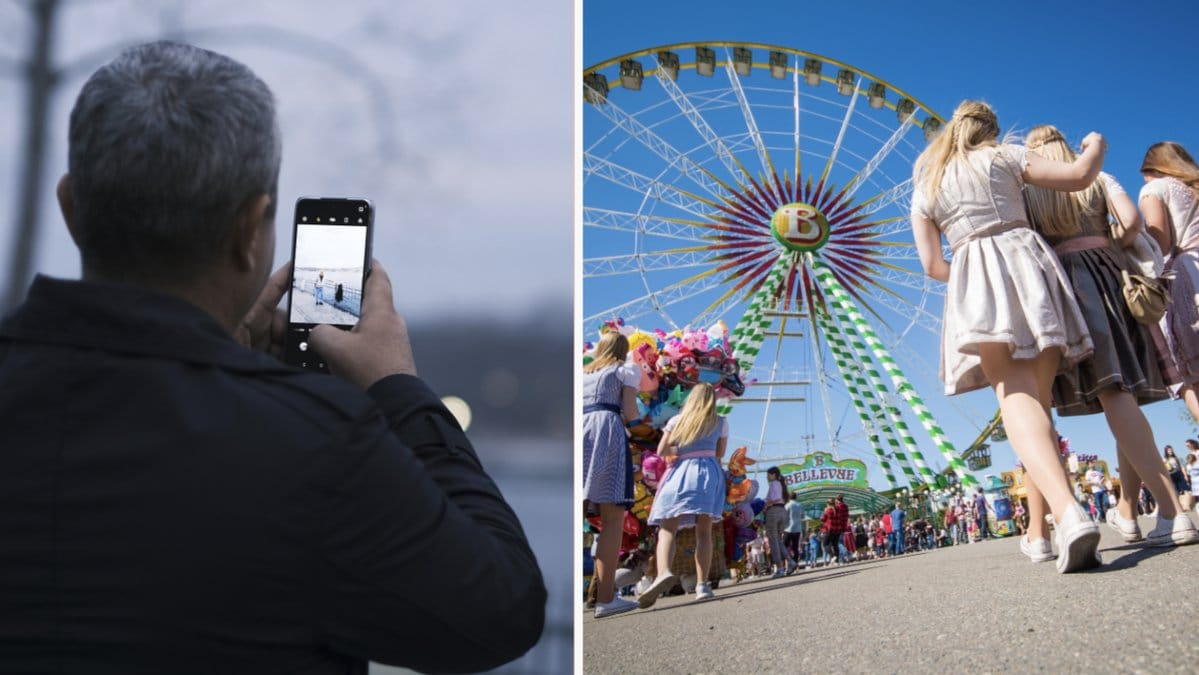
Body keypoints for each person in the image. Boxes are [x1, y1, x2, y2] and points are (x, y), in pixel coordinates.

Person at [0, 42, 544, 673]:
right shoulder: (317, 447)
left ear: (70, 207)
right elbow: (500, 611)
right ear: (250, 229)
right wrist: (397, 387)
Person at [910, 100, 1109, 573]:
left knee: (1016, 405)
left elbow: (933, 266)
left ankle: (1066, 514)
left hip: (973, 274)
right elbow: (1081, 175)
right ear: (992, 130)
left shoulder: (926, 186)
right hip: (1028, 262)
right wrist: (1096, 145)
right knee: (1036, 408)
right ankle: (1040, 533)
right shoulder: (1006, 156)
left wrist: (971, 272)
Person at [1022, 124, 1197, 549]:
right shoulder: (1097, 177)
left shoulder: (1030, 190)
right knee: (1126, 394)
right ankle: (1128, 511)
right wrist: (1108, 244)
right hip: (1112, 278)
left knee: (1108, 393)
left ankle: (1172, 512)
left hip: (1065, 285)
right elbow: (1133, 222)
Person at [639, 383, 729, 607]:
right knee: (704, 532)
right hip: (708, 474)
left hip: (680, 473)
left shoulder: (677, 421)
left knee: (667, 529)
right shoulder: (720, 422)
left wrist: (679, 451)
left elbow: (661, 450)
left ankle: (664, 572)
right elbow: (720, 454)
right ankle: (702, 585)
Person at [582, 330, 642, 618]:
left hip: (580, 429)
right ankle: (606, 598)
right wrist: (644, 427)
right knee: (612, 518)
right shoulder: (624, 370)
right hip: (607, 430)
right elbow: (630, 411)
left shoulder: (583, 372)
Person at [1139, 142, 1199, 421]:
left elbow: (1160, 242)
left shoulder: (1155, 189)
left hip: (1187, 275)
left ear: (1151, 169)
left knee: (1191, 375)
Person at [762, 466, 789, 578]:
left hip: (773, 512)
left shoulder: (774, 484)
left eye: (768, 475)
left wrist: (766, 504)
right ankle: (790, 561)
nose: (767, 477)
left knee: (773, 541)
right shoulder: (782, 484)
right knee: (778, 540)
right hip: (782, 511)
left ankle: (780, 568)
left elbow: (776, 498)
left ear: (773, 474)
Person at [783, 490, 806, 574]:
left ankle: (789, 562)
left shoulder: (787, 505)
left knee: (784, 547)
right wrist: (804, 529)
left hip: (788, 529)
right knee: (795, 548)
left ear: (789, 497)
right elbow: (803, 517)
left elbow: (784, 517)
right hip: (797, 529)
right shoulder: (800, 505)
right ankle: (794, 563)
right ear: (796, 497)